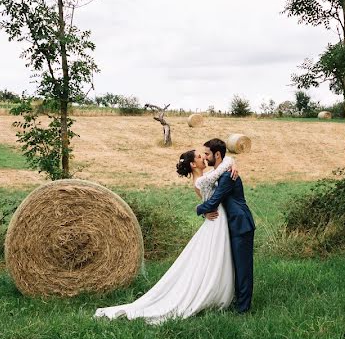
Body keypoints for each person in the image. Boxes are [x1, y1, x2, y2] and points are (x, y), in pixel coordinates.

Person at [94, 146, 241, 323]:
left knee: (216, 257)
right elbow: (218, 175)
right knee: (214, 258)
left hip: (216, 218)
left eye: (204, 155)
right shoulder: (201, 181)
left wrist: (232, 162)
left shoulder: (201, 178)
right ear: (194, 164)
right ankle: (212, 294)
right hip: (216, 219)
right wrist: (230, 161)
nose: (204, 159)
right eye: (200, 157)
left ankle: (220, 291)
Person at [196, 138, 255, 314]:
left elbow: (214, 201)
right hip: (231, 224)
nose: (205, 157)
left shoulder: (228, 176)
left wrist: (199, 209)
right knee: (235, 265)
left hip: (241, 224)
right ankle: (236, 300)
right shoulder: (221, 172)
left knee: (243, 268)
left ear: (217, 154)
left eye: (207, 154)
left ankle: (243, 308)